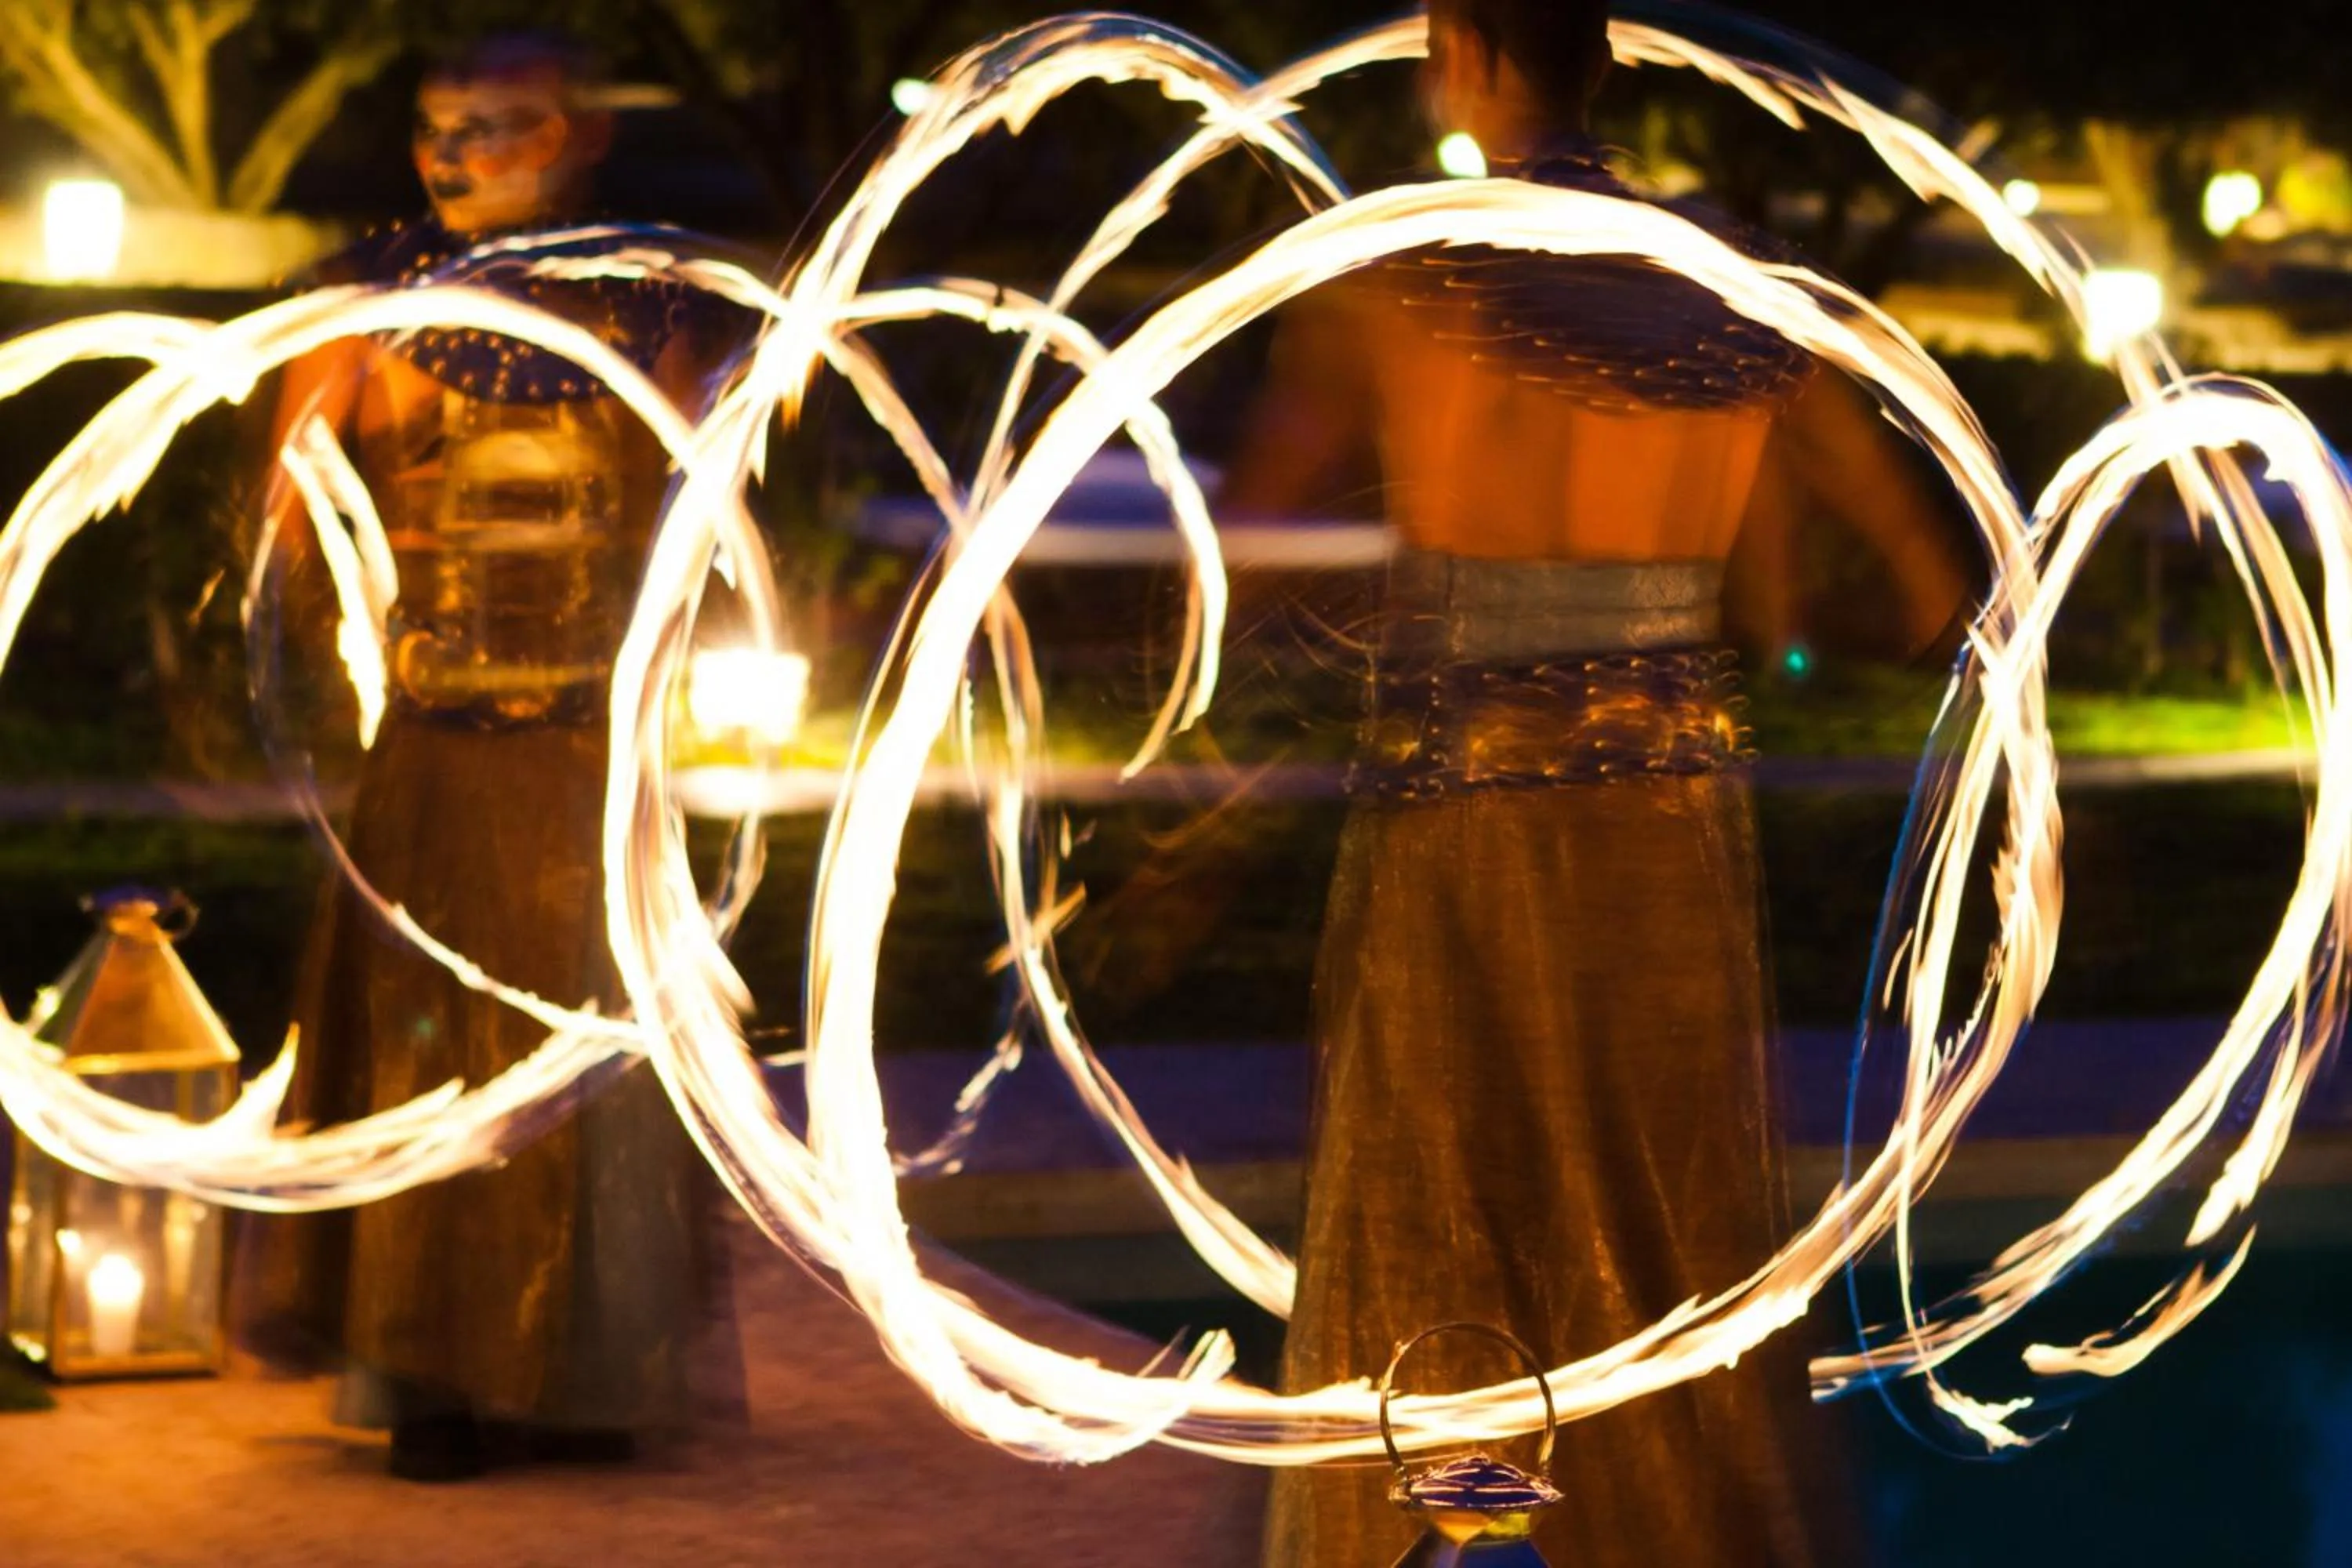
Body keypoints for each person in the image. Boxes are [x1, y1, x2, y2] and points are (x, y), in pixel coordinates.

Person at [1224, 2, 1972, 1562]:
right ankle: (1665, 1528)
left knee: (1450, 1184)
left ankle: (1456, 1529)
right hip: (1666, 803)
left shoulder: (1410, 266)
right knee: (1652, 1203)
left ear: (1464, 48)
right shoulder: (1733, 287)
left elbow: (1255, 522)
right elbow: (1921, 578)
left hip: (1464, 796)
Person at [238, 34, 743, 1483]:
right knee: (432, 1052)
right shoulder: (371, 308)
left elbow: (706, 514)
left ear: (577, 135)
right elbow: (288, 520)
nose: (458, 157)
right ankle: (437, 1376)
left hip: (589, 759)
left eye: (500, 127)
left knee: (578, 1063)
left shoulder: (657, 306)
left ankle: (579, 1376)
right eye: (439, 129)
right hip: (442, 760)